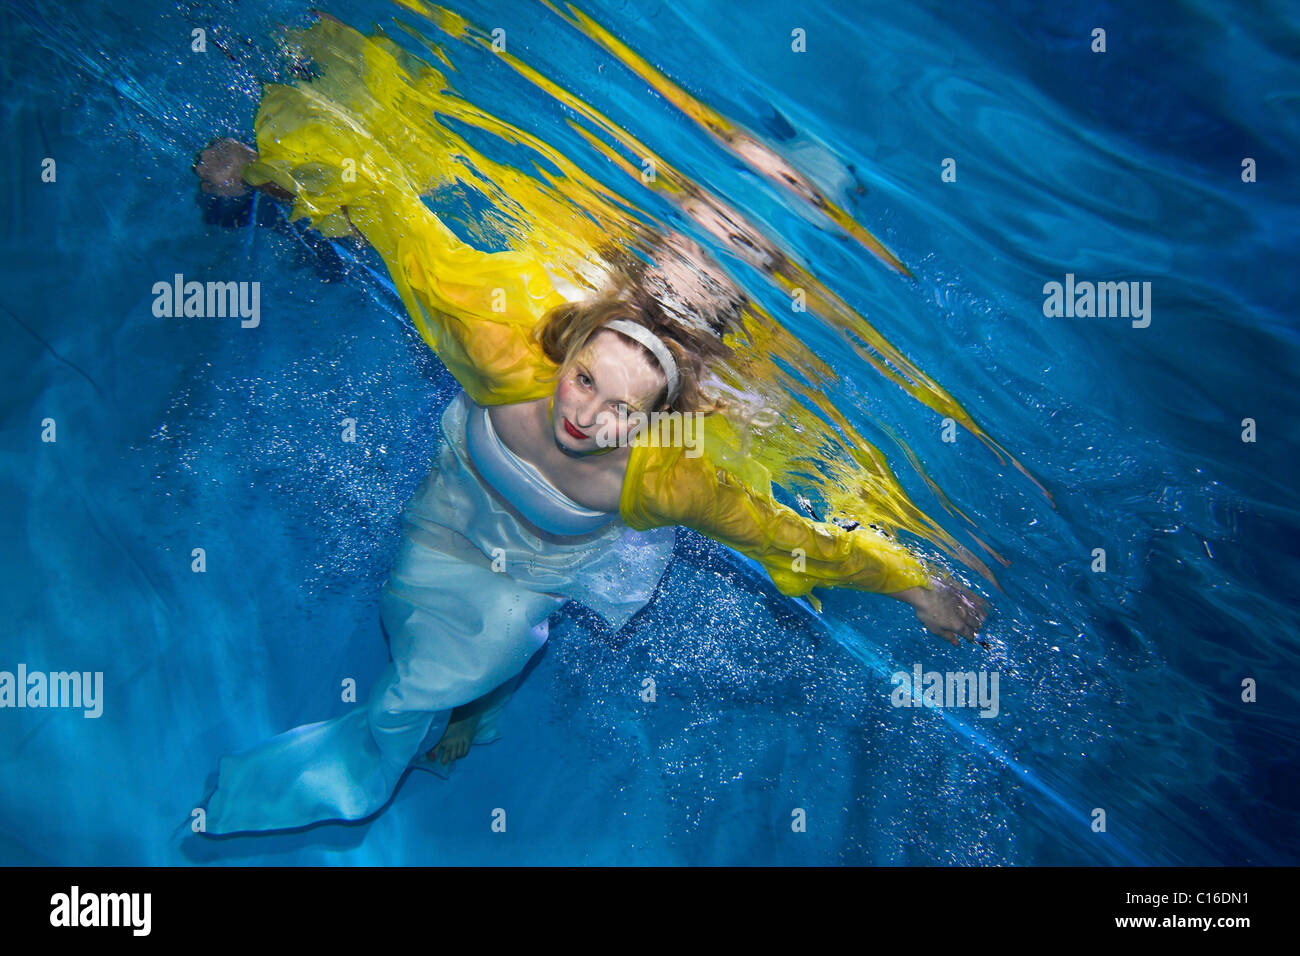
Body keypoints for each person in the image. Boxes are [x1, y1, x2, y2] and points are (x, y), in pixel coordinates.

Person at [192, 16, 987, 836]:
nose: (581, 416)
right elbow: (391, 219)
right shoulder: (504, 345)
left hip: (548, 561)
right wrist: (262, 173)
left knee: (479, 643)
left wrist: (913, 585)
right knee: (424, 618)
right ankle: (473, 703)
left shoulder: (668, 472)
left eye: (749, 250)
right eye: (583, 383)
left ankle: (416, 733)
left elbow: (786, 534)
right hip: (454, 498)